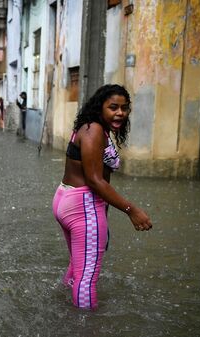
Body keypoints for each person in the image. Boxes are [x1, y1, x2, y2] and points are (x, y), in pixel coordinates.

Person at [52, 84, 152, 310]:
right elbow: (96, 180)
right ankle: (84, 327)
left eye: (124, 108)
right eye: (113, 107)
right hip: (82, 205)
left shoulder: (90, 127)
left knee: (78, 268)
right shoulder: (95, 130)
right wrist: (132, 210)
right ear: (100, 107)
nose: (120, 113)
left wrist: (102, 221)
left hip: (67, 199)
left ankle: (63, 307)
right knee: (87, 279)